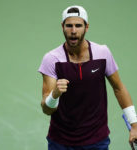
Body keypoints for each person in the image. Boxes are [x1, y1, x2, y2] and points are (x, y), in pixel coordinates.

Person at [38, 5, 137, 150]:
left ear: (86, 27)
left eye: (78, 26)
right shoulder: (51, 59)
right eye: (69, 26)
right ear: (62, 26)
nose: (73, 31)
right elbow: (46, 109)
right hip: (61, 142)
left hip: (97, 140)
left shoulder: (102, 53)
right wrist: (55, 95)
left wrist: (134, 125)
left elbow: (119, 88)